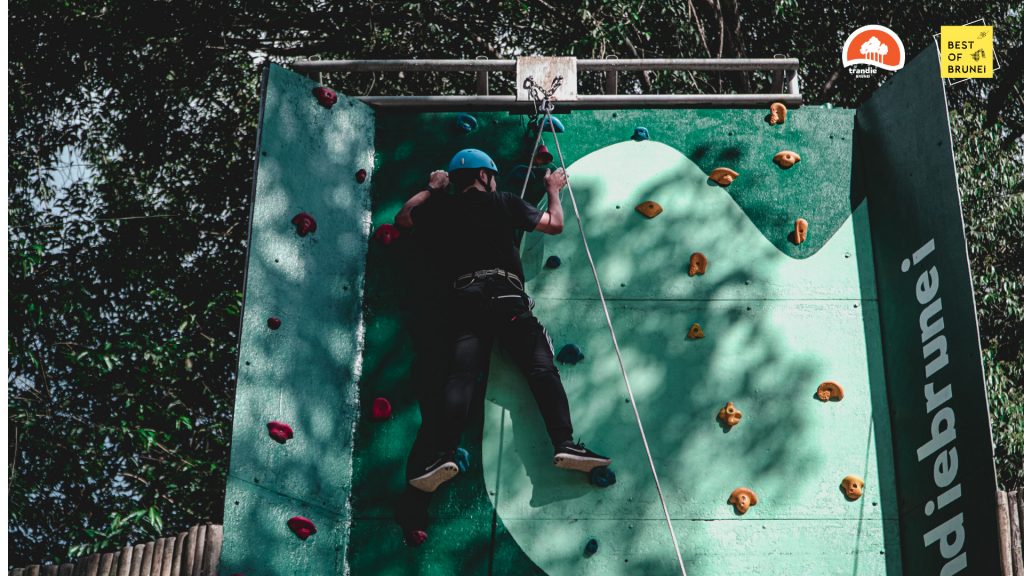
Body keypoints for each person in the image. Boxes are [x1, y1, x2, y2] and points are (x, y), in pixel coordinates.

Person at [394, 148, 611, 498]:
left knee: (461, 377)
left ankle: (443, 454)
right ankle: (565, 443)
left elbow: (404, 218)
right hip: (506, 297)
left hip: (465, 301)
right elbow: (555, 224)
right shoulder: (504, 201)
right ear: (484, 175)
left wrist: (433, 189)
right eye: (491, 176)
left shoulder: (443, 208)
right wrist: (553, 189)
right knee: (541, 368)